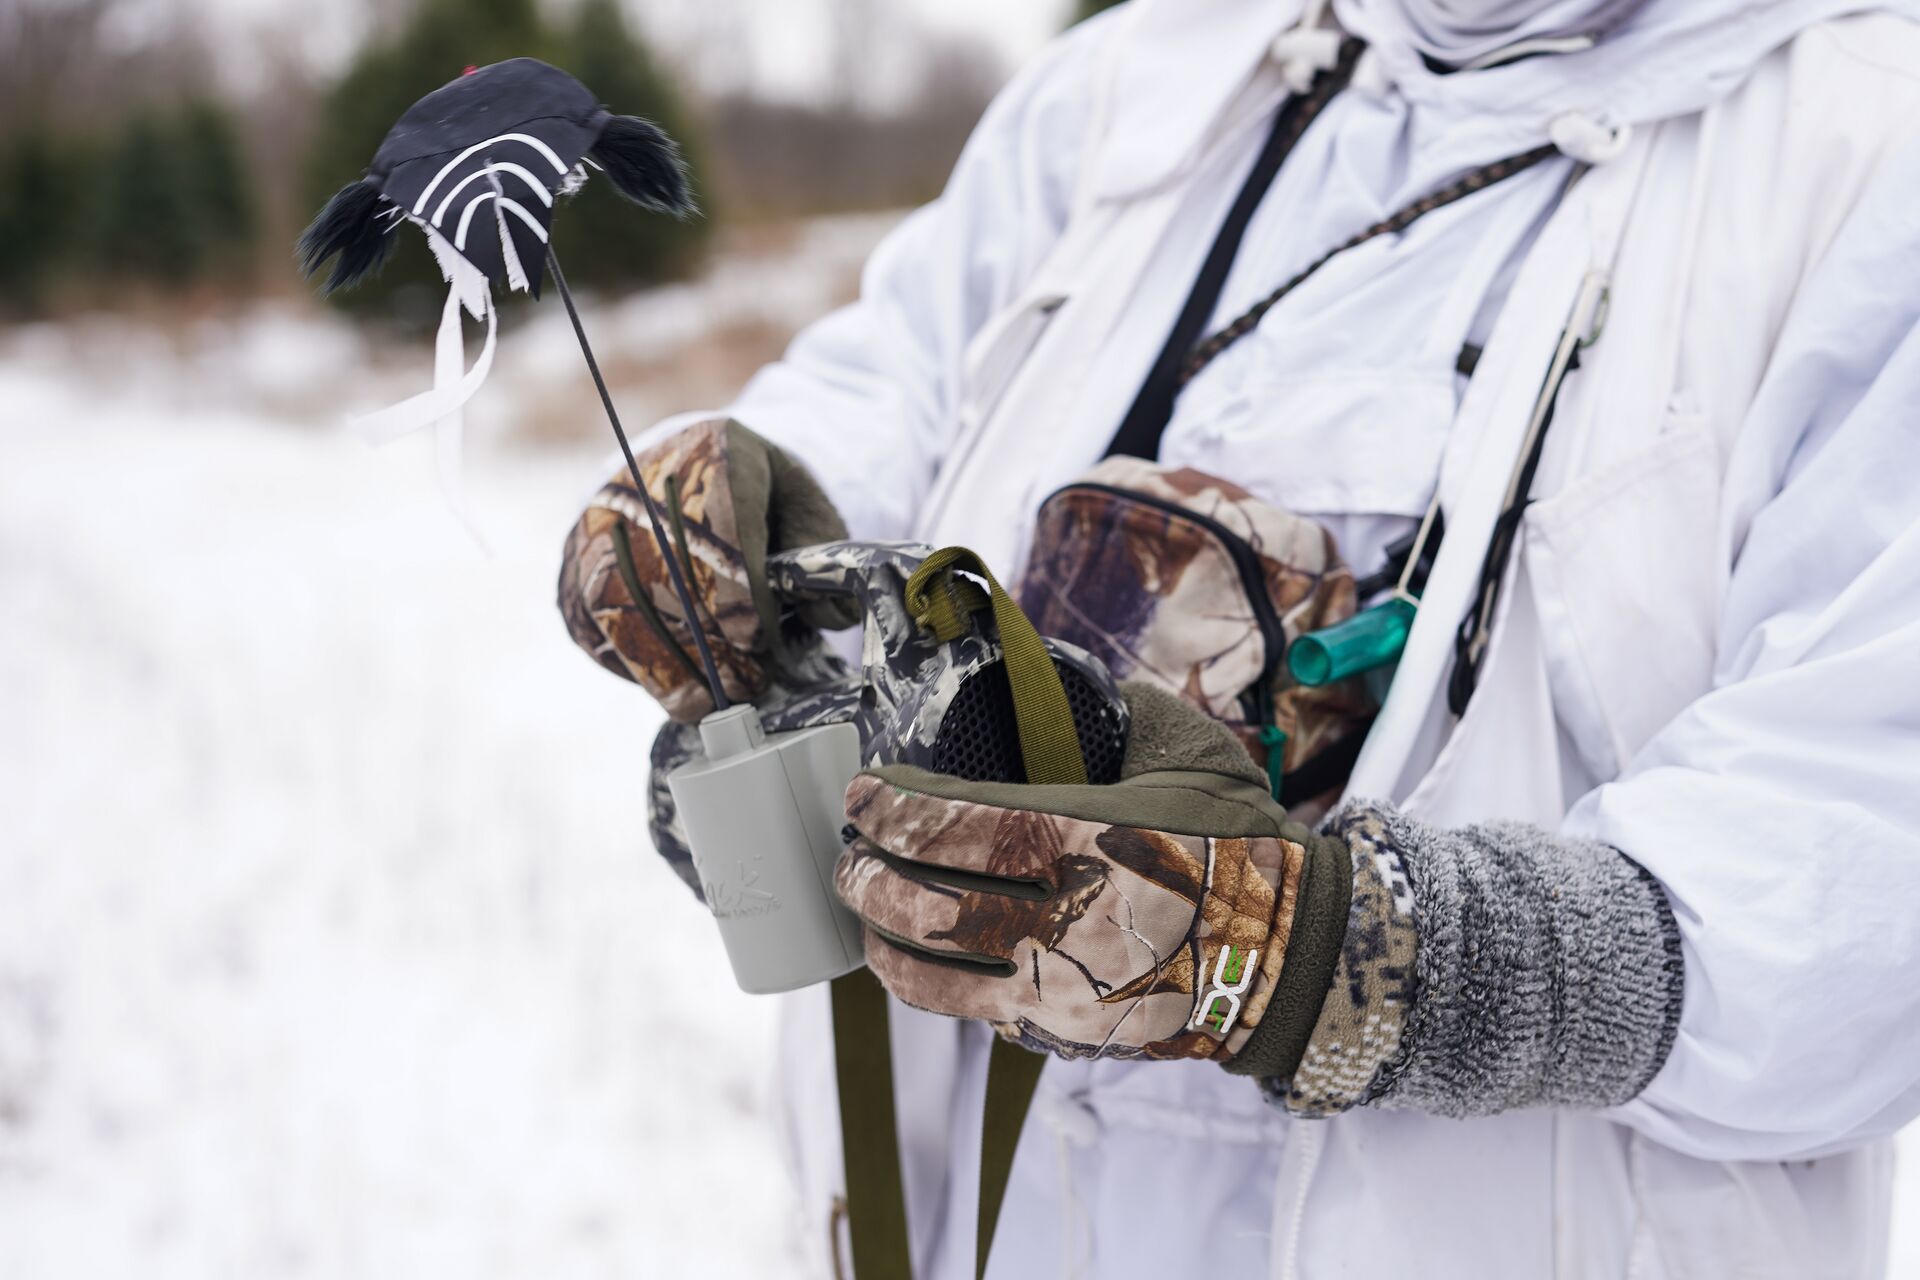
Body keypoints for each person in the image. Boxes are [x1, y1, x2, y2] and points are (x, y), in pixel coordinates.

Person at [557, 0, 1920, 1275]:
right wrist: (765, 560)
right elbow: (902, 379)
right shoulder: (1141, 85)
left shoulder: (1869, 142)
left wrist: (1337, 953)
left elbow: (1860, 875)